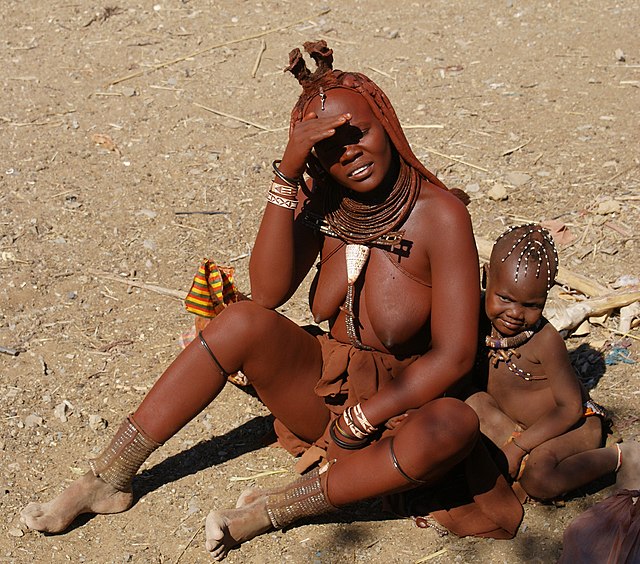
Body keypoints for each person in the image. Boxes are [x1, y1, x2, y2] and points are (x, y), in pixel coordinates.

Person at [22, 40, 493, 559]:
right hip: (332, 392)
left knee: (456, 426)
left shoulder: (441, 215)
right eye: (329, 148)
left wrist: (367, 417)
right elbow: (267, 294)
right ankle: (109, 477)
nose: (350, 153)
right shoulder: (330, 200)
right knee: (241, 321)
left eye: (359, 133)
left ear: (388, 125)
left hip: (406, 412)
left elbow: (454, 356)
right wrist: (287, 176)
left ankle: (275, 508)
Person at [466, 224, 640, 502]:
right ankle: (525, 457)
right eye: (505, 298)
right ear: (487, 276)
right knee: (468, 406)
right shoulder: (475, 316)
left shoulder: (545, 341)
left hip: (572, 427)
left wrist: (518, 447)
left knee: (540, 480)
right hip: (520, 426)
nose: (515, 313)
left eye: (532, 305)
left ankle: (620, 456)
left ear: (546, 299)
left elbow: (570, 408)